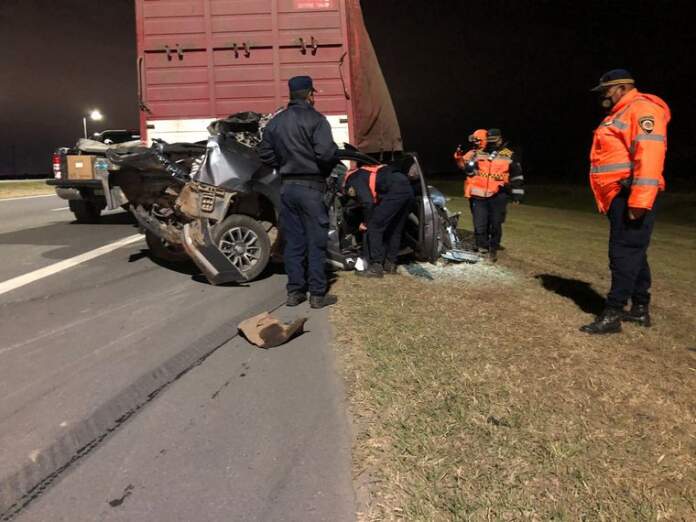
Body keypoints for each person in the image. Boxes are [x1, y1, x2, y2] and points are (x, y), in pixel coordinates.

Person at [580, 69, 671, 334]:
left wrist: (639, 201)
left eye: (606, 90)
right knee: (634, 252)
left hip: (631, 195)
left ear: (621, 88)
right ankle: (640, 308)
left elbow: (650, 154)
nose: (603, 95)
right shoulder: (620, 112)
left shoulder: (642, 109)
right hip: (619, 195)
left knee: (622, 254)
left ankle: (613, 313)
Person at [258, 75, 339, 309]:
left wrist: (283, 164)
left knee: (293, 242)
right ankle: (317, 294)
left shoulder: (276, 123)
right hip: (311, 189)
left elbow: (265, 154)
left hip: (287, 188)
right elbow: (326, 154)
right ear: (310, 94)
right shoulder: (317, 120)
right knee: (316, 242)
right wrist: (320, 167)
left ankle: (295, 292)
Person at [454, 128, 524, 261]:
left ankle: (493, 248)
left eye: (494, 140)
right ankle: (482, 247)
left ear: (500, 140)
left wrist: (517, 194)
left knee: (495, 224)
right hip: (478, 195)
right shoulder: (479, 153)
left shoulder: (508, 154)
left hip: (498, 195)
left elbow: (517, 176)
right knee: (479, 224)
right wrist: (469, 168)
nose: (492, 143)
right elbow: (468, 170)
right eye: (489, 140)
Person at [343, 156, 417, 277]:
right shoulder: (366, 171)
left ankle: (376, 267)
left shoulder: (353, 179)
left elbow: (368, 202)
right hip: (408, 190)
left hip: (395, 190)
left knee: (374, 226)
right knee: (395, 229)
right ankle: (390, 264)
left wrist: (366, 222)